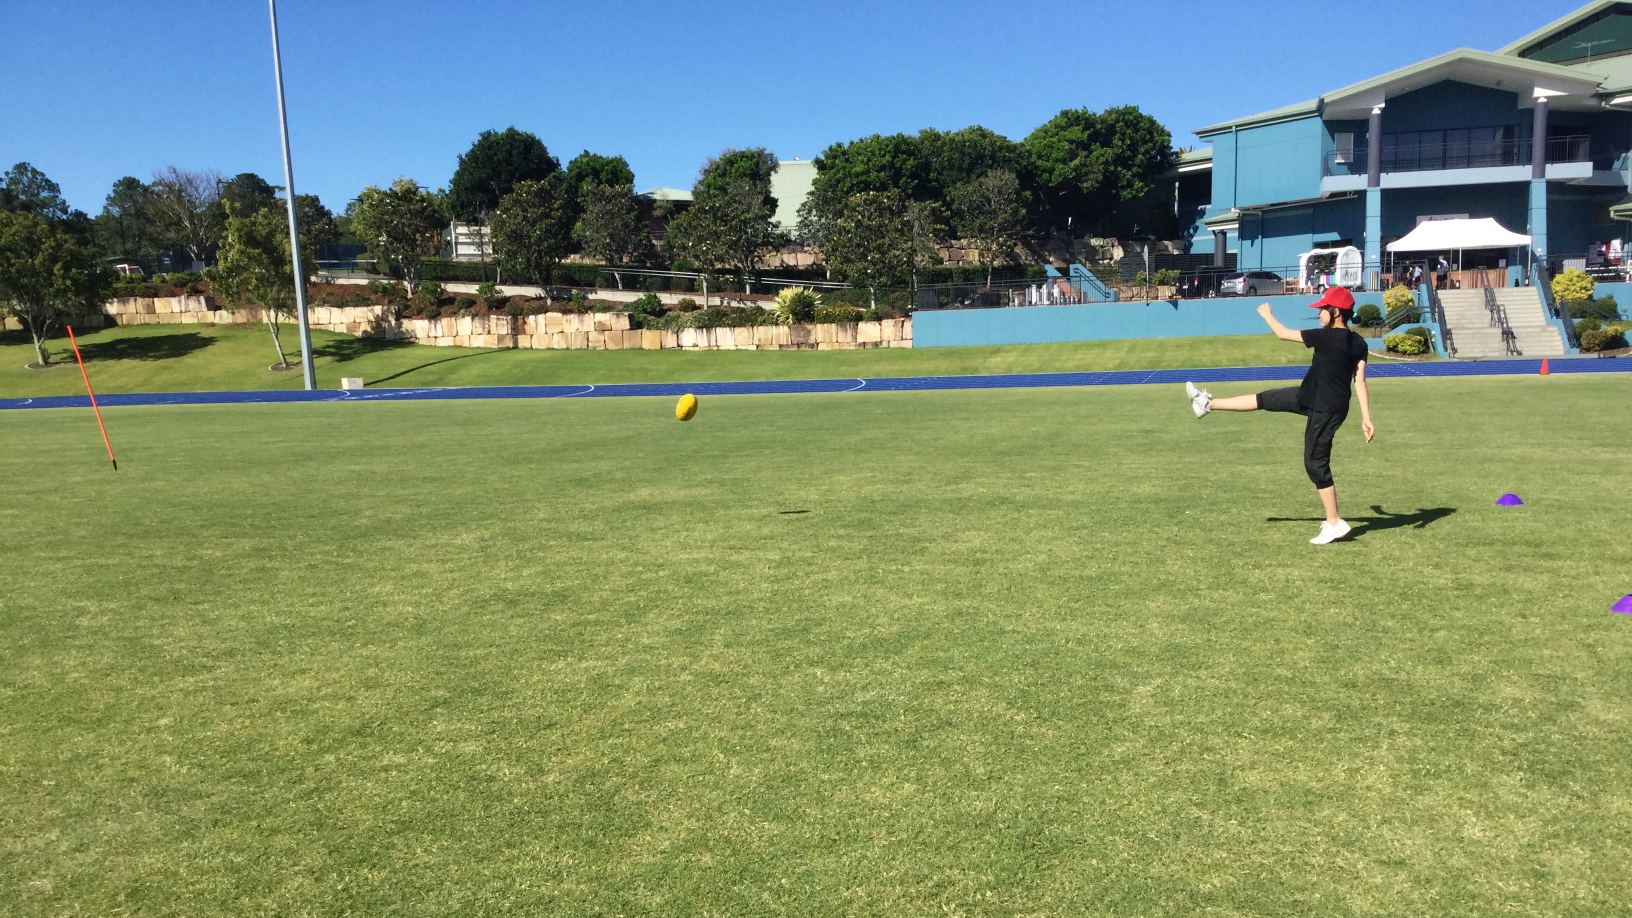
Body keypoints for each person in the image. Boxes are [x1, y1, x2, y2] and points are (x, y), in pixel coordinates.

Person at [1184, 287, 1375, 545]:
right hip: (1310, 396)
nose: (1319, 313)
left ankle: (1334, 522)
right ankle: (1207, 404)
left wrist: (1267, 315)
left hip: (1325, 408)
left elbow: (1283, 334)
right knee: (1264, 399)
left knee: (1315, 463)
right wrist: (1366, 418)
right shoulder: (1358, 342)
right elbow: (1359, 381)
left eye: (1322, 309)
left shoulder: (1326, 337)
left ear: (1336, 312)